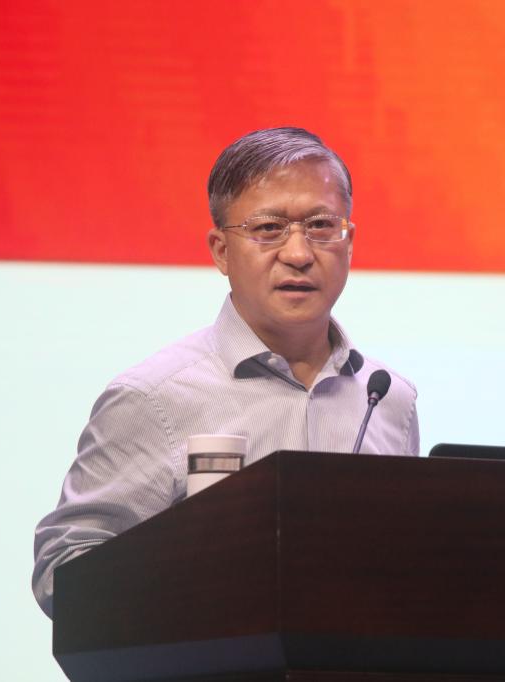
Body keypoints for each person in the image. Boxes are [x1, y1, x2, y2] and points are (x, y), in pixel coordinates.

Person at [32, 127, 419, 618]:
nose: (299, 254)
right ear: (220, 250)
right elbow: (64, 572)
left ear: (349, 242)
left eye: (321, 225)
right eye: (268, 228)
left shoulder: (388, 399)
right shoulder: (154, 398)